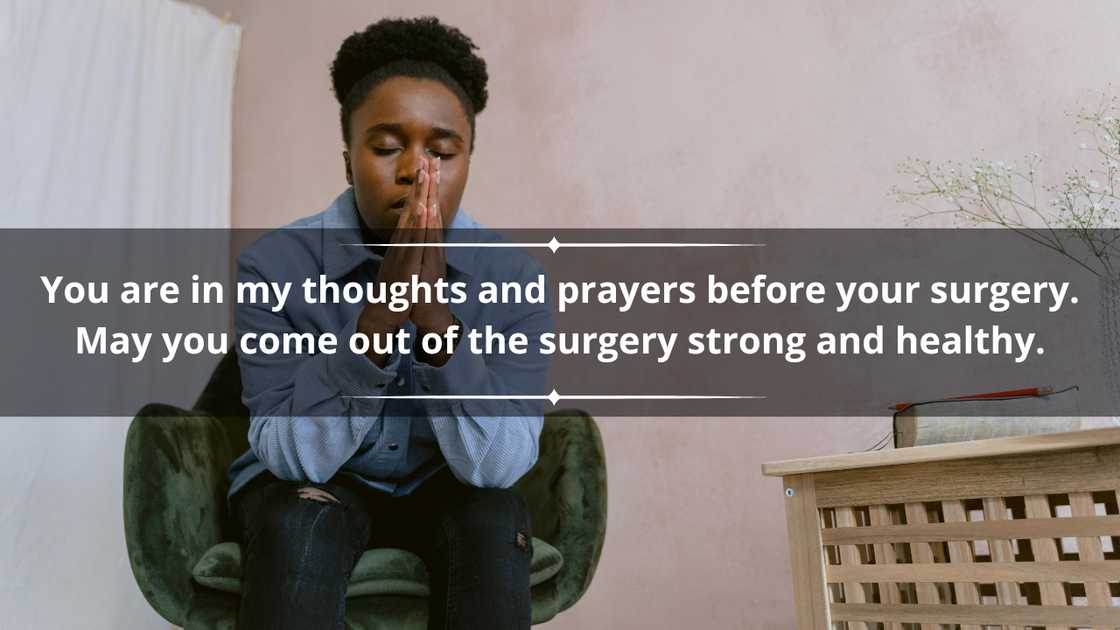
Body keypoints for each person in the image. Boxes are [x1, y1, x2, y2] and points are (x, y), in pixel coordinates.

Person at [224, 16, 553, 630]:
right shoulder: (271, 266)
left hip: (445, 484)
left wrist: (433, 324)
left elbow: (501, 465)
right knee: (300, 517)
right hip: (317, 482)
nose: (415, 171)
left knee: (495, 518)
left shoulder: (517, 276)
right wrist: (374, 330)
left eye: (442, 152)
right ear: (348, 162)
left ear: (468, 161)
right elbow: (287, 456)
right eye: (385, 148)